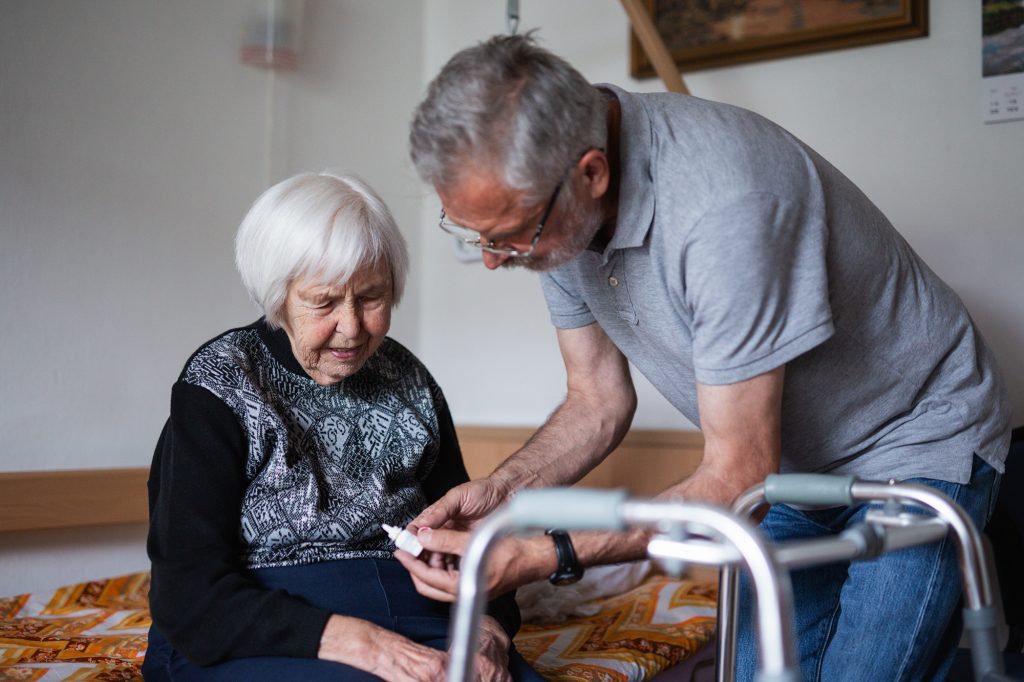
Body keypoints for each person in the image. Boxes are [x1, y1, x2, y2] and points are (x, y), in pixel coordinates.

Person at [399, 33, 1012, 681]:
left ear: (591, 174)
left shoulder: (726, 206)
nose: (496, 259)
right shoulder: (556, 214)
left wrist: (548, 553)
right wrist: (504, 496)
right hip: (787, 465)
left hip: (916, 436)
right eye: (476, 237)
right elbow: (597, 401)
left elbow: (734, 473)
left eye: (509, 236)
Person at [142, 172, 541, 681]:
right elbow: (188, 596)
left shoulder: (409, 380)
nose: (352, 327)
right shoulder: (220, 383)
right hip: (262, 630)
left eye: (372, 298)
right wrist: (366, 645)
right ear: (277, 294)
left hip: (418, 616)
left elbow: (469, 542)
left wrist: (487, 626)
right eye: (324, 301)